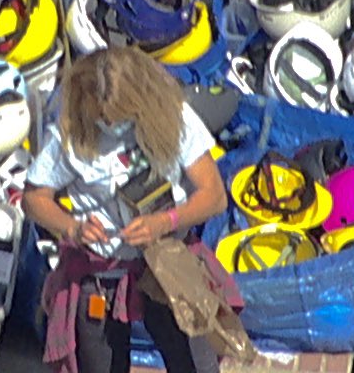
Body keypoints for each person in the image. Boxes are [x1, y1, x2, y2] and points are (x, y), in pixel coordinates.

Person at [22, 46, 236, 373]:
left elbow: (214, 195)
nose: (111, 125)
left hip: (166, 264)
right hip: (101, 270)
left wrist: (166, 221)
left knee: (196, 364)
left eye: (121, 119)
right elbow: (34, 199)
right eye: (102, 118)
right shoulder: (69, 134)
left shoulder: (176, 120)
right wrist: (72, 227)